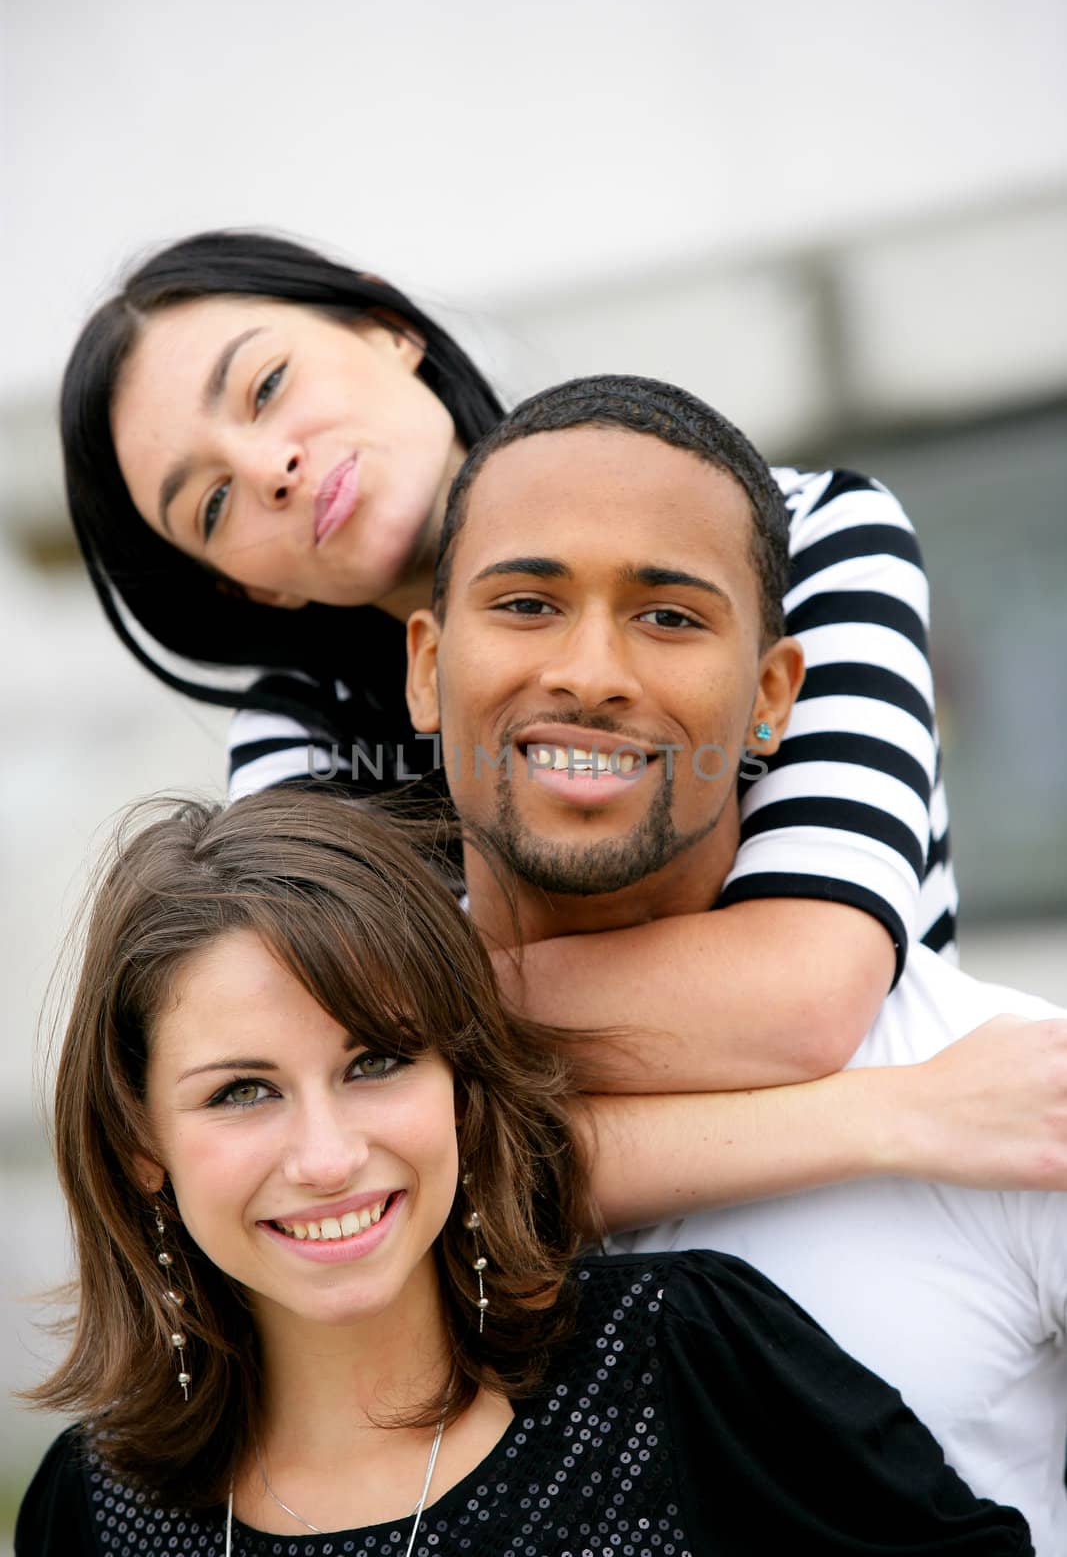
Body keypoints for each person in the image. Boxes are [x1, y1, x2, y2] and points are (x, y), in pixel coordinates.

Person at [64, 229, 954, 1115]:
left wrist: (408, 1016)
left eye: (266, 386)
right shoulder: (302, 740)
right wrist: (885, 1124)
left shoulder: (806, 535)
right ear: (248, 588)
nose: (272, 469)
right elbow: (382, 1119)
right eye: (212, 502)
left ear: (387, 327)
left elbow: (803, 995)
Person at [403, 372, 1067, 1553]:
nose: (590, 671)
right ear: (422, 667)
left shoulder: (1015, 1092)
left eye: (667, 616)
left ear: (771, 698)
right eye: (524, 603)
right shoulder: (311, 1122)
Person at [16, 789, 1030, 1555]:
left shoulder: (677, 1362)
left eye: (375, 1062)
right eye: (241, 1091)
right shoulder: (94, 1510)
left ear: (458, 1082)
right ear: (141, 1142)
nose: (325, 1156)